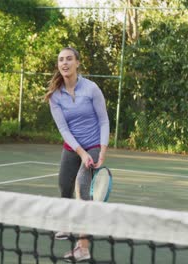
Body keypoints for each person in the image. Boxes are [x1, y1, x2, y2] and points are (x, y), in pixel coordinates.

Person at [44, 47, 110, 262]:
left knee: (82, 188)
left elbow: (103, 121)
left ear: (77, 63)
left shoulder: (91, 89)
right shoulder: (55, 95)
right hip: (72, 147)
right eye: (61, 60)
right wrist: (79, 152)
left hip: (93, 145)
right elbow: (63, 129)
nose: (65, 63)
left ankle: (83, 247)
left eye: (69, 59)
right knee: (64, 186)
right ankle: (67, 224)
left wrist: (102, 149)